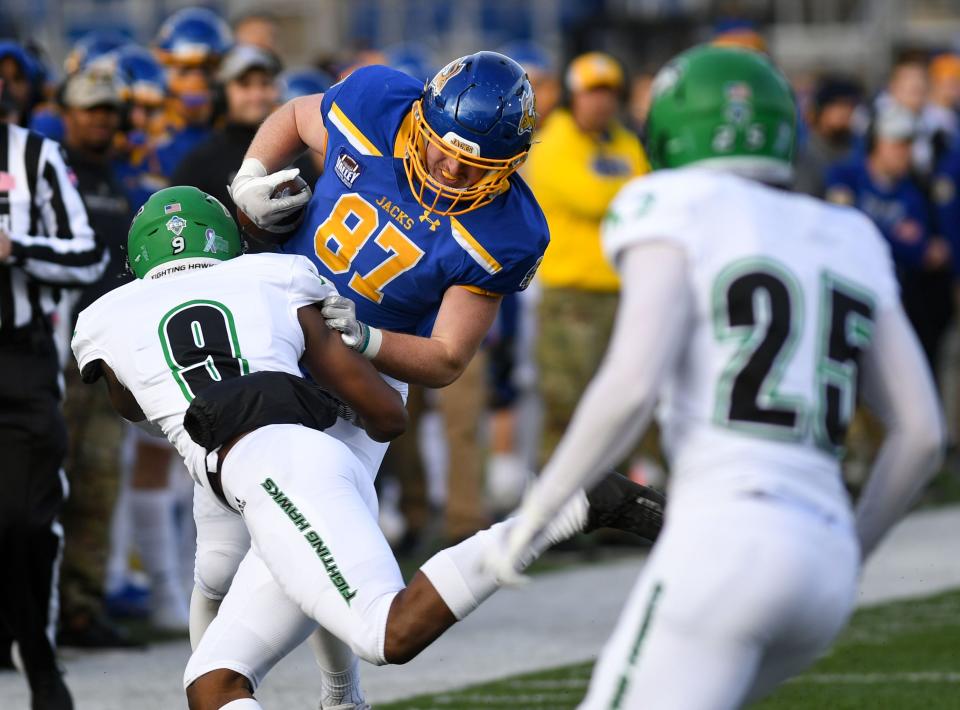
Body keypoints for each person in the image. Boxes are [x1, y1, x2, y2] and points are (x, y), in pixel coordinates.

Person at [71, 185, 664, 710]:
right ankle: (344, 701)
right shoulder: (273, 277)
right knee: (211, 682)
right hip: (298, 461)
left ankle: (570, 510)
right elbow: (387, 415)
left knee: (387, 634)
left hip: (270, 471)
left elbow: (137, 408)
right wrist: (321, 372)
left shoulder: (102, 319)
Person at [485, 45, 946, 710]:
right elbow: (922, 434)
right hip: (822, 556)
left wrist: (536, 515)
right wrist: (850, 548)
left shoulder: (671, 201)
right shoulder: (847, 230)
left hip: (725, 535)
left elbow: (631, 386)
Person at [222, 50, 547, 708]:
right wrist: (252, 174)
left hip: (363, 382)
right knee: (225, 544)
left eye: (475, 166)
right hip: (274, 330)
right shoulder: (376, 105)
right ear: (419, 122)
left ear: (509, 165)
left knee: (318, 545)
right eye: (442, 150)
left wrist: (366, 338)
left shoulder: (507, 230)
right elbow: (292, 114)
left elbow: (448, 356)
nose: (451, 170)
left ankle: (333, 689)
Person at [0, 43, 107, 708]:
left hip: (18, 357)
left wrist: (18, 247)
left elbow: (88, 254)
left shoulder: (36, 156)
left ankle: (38, 657)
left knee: (24, 521)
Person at [524, 50, 649, 467]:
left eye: (610, 93)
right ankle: (555, 514)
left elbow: (645, 194)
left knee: (619, 407)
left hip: (620, 295)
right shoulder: (554, 141)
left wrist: (630, 194)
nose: (602, 102)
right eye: (592, 93)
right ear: (573, 96)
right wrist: (629, 192)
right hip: (570, 301)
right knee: (567, 407)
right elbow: (594, 198)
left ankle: (610, 509)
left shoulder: (626, 142)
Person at [55, 66, 138, 649]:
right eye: (89, 109)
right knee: (39, 482)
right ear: (67, 113)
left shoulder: (125, 183)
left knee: (98, 483)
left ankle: (81, 607)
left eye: (107, 110)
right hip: (49, 352)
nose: (99, 119)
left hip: (108, 357)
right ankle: (30, 610)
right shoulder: (44, 174)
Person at [825, 103, 953, 371]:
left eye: (907, 145)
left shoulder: (912, 191)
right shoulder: (845, 175)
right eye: (896, 144)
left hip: (893, 305)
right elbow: (844, 231)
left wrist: (877, 230)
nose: (903, 153)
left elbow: (923, 252)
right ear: (875, 143)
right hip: (848, 299)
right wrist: (894, 235)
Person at [173, 44, 319, 225]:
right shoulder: (200, 162)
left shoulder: (300, 155)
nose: (257, 95)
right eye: (245, 85)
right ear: (222, 93)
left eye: (264, 84)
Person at [793, 74, 862, 197]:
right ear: (821, 110)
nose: (845, 114)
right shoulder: (805, 154)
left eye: (850, 107)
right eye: (838, 106)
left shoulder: (857, 150)